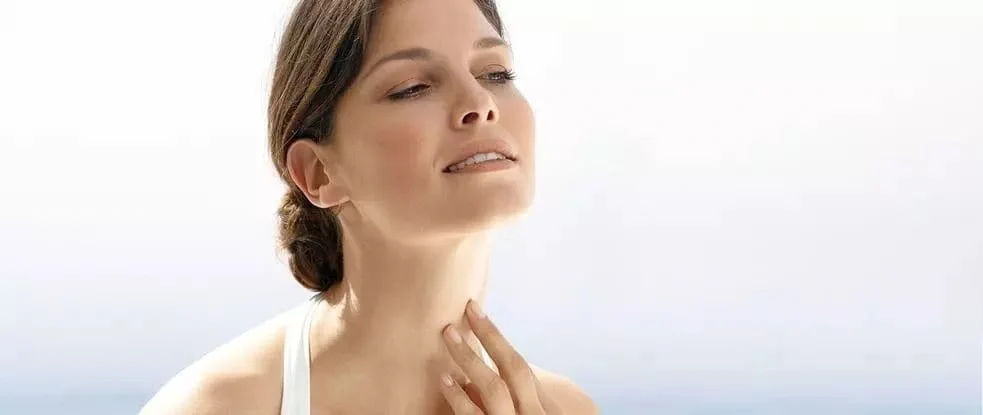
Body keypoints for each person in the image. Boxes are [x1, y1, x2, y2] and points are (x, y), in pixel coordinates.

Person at [140, 0, 597, 413]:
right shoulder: (217, 406)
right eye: (413, 87)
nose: (480, 103)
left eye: (495, 74)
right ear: (319, 172)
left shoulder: (564, 408)